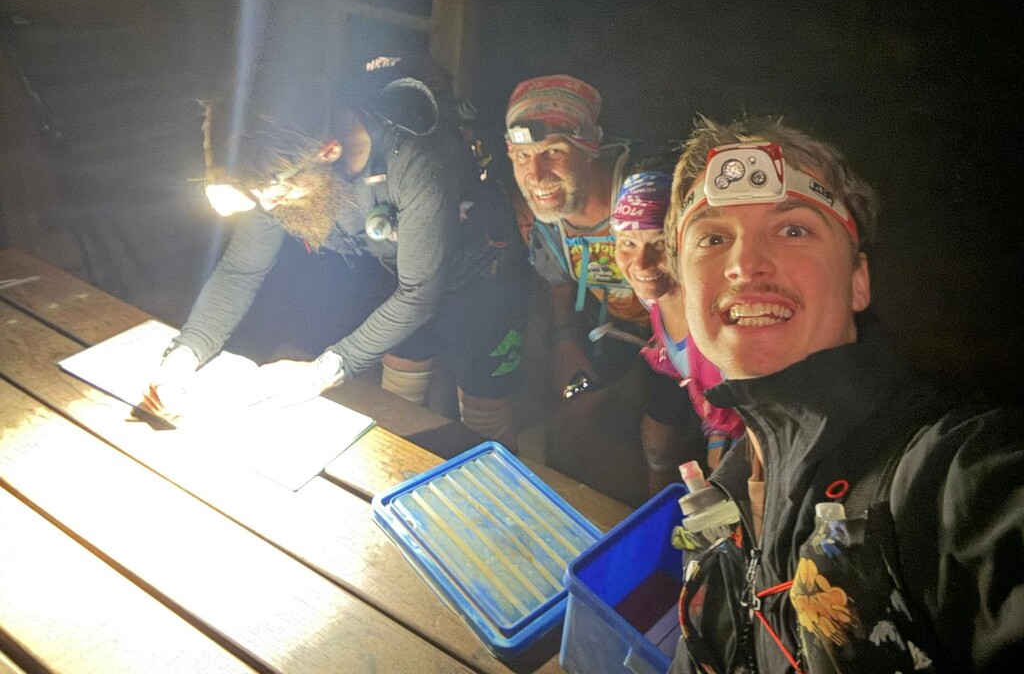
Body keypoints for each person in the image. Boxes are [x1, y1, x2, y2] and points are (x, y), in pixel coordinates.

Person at [664, 116, 1023, 673]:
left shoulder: (949, 479)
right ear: (684, 289)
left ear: (859, 280)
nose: (745, 265)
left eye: (793, 229)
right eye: (713, 238)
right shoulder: (726, 499)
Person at [148, 54, 528, 448]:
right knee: (400, 401)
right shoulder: (273, 163)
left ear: (328, 152)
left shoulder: (414, 159)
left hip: (482, 272)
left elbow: (420, 294)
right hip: (402, 271)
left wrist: (320, 373)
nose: (268, 206)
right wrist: (183, 356)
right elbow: (240, 271)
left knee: (483, 413)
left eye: (275, 194)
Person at [504, 74, 650, 485]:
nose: (537, 174)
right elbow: (557, 275)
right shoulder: (542, 213)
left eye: (554, 151)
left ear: (590, 149)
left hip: (671, 337)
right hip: (607, 327)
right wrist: (564, 339)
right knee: (558, 420)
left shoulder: (645, 194)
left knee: (656, 438)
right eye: (523, 156)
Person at [609, 170, 744, 497]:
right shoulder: (652, 295)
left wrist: (722, 441)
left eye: (660, 244)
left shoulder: (723, 317)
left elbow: (761, 407)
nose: (641, 263)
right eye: (628, 243)